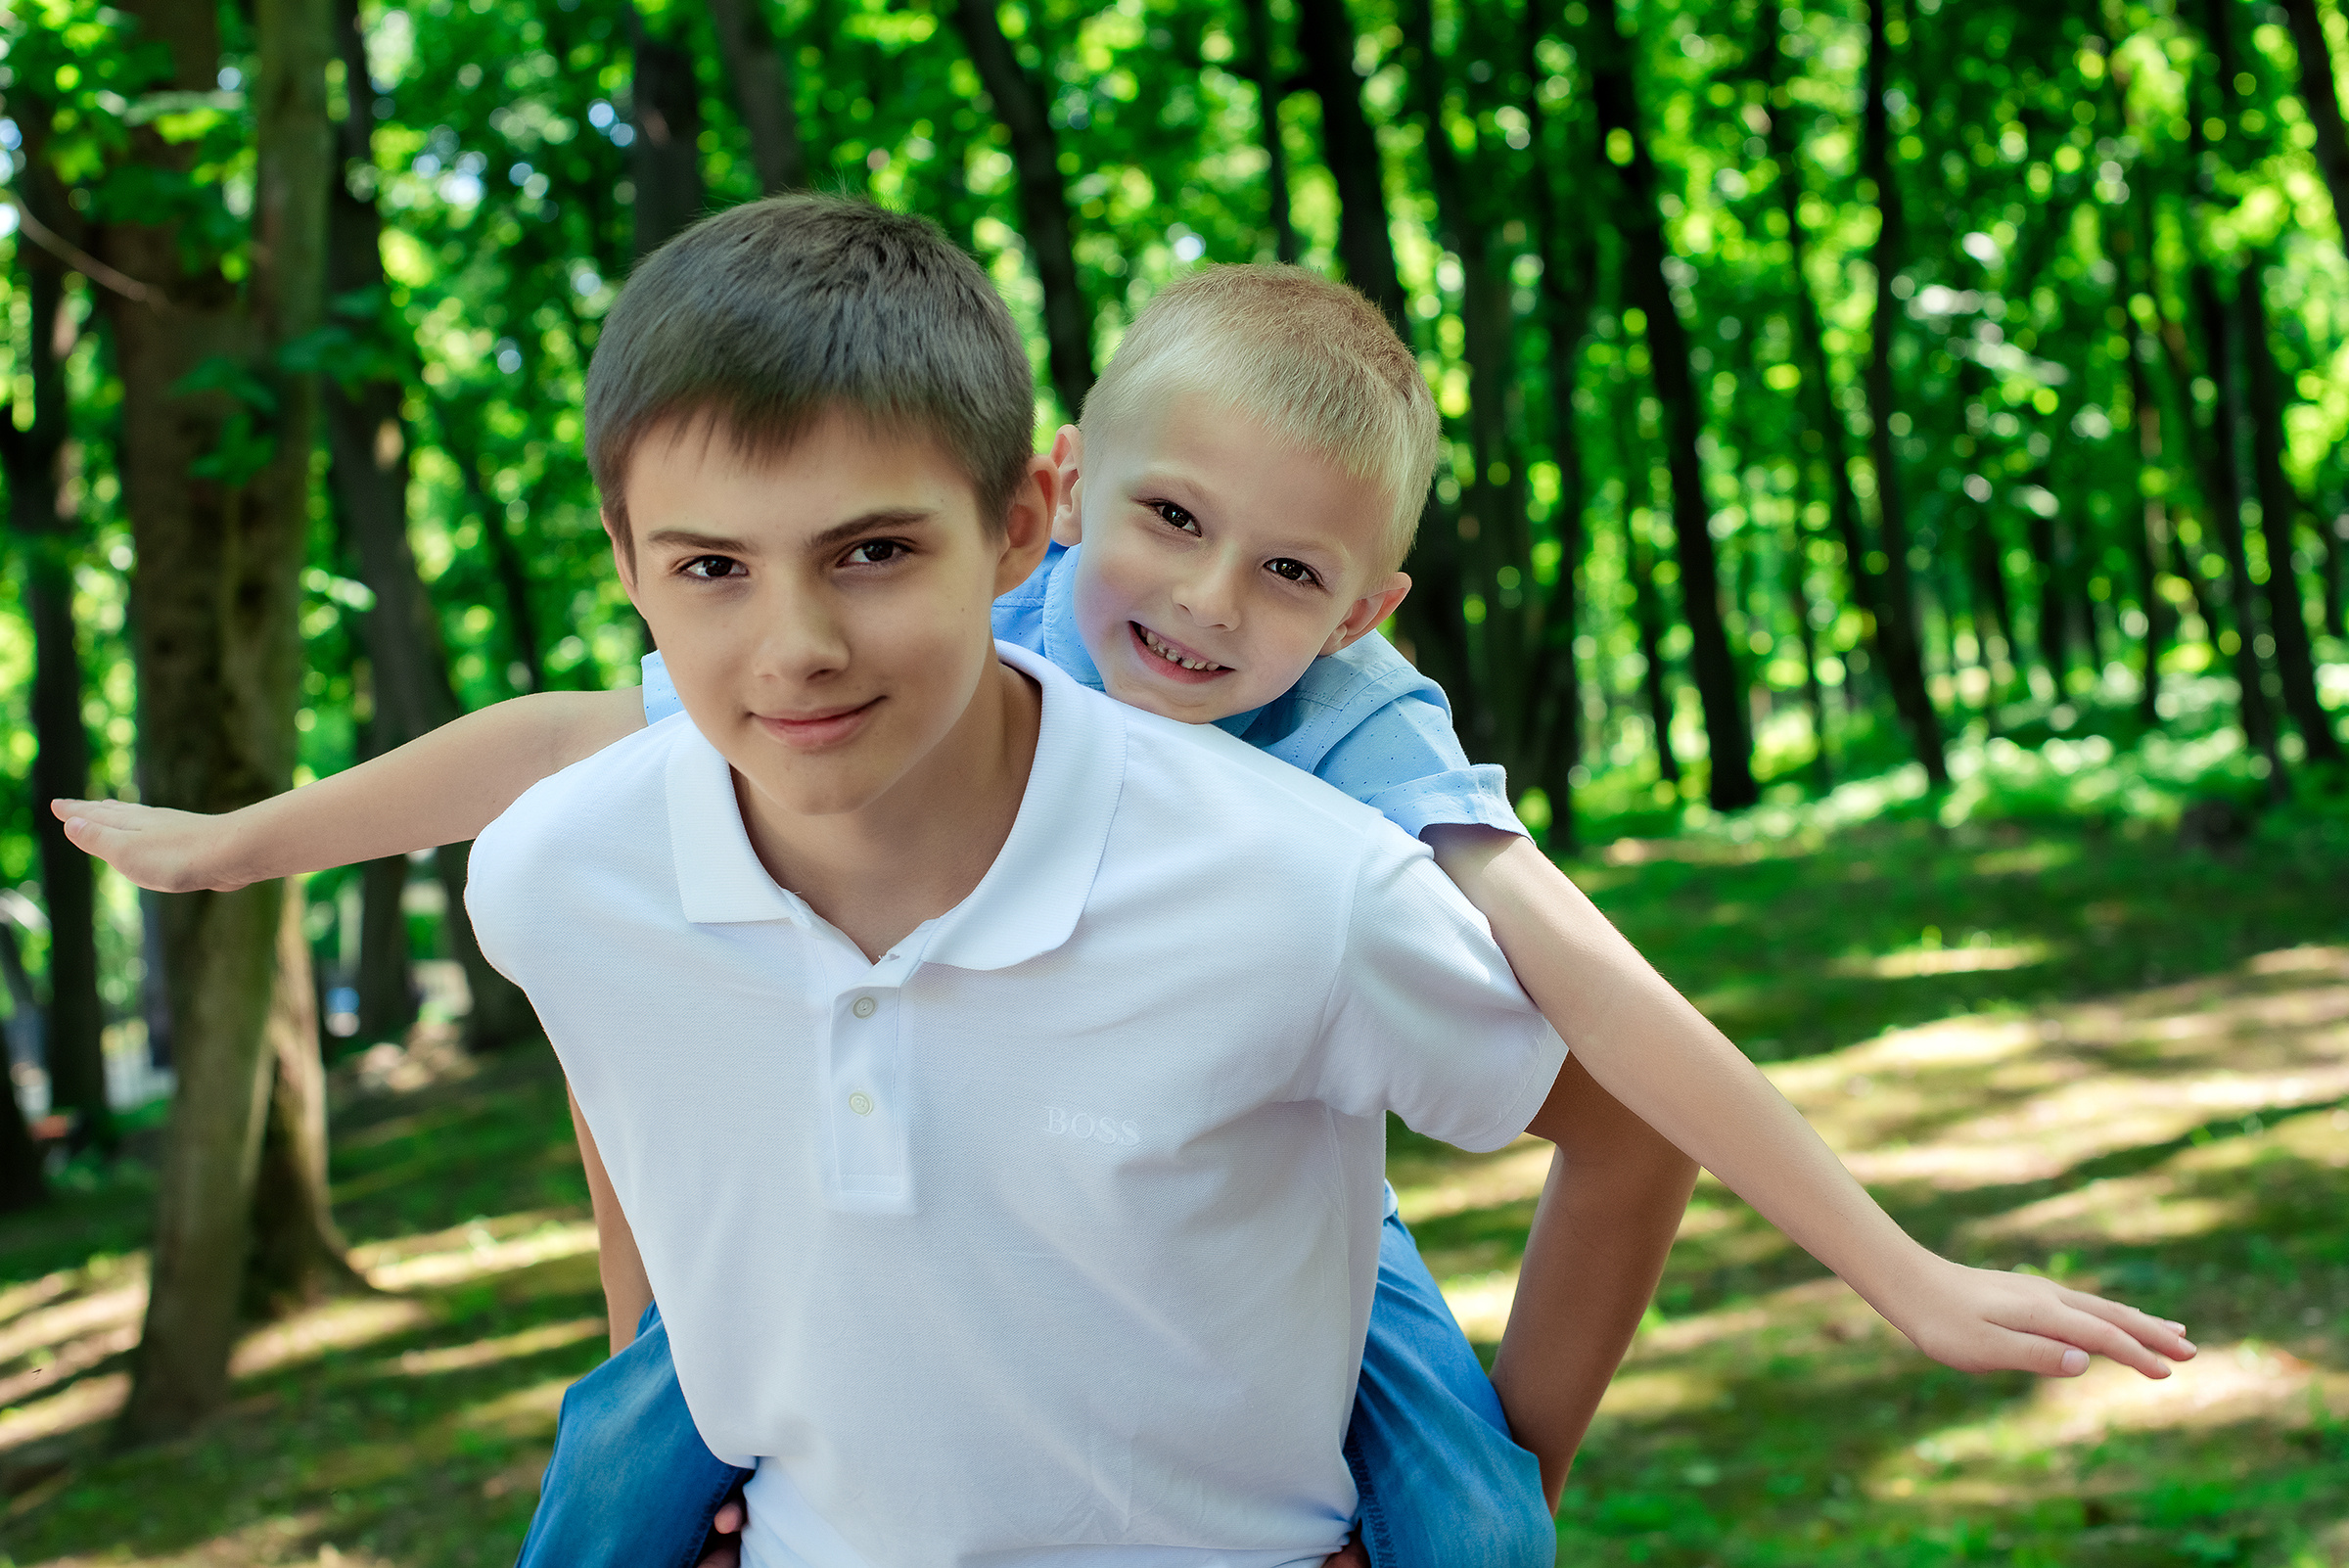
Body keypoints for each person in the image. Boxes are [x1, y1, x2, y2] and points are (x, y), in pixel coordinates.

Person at [54, 198, 2194, 1565]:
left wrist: (1893, 1268)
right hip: (852, 1316)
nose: (1203, 608)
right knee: (614, 1470)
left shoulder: (1347, 757)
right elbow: (566, 767)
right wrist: (250, 840)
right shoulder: (943, 641)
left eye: (1290, 574)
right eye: (1168, 525)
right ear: (1062, 506)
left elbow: (1608, 1016)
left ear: (1368, 604)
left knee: (1461, 1513)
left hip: (1286, 1225)